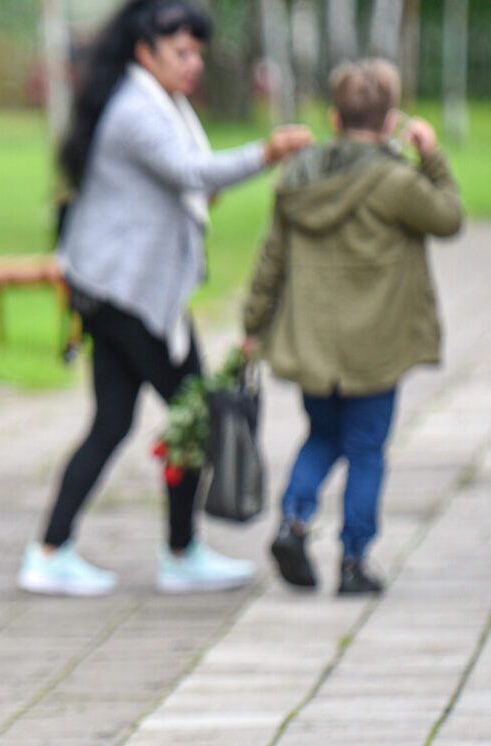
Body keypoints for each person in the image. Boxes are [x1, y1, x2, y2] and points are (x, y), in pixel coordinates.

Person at [19, 0, 314, 597]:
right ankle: (178, 554)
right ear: (145, 51)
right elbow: (191, 172)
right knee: (194, 414)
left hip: (110, 287)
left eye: (198, 51)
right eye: (181, 51)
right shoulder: (136, 110)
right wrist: (269, 152)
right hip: (125, 292)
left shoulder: (154, 102)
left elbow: (174, 184)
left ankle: (52, 550)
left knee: (112, 422)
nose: (193, 63)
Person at [244, 60, 463, 595]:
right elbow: (449, 217)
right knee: (365, 450)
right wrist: (431, 156)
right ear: (391, 121)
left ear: (333, 118)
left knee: (320, 435)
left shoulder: (298, 177)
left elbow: (272, 257)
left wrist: (254, 323)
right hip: (376, 345)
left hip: (313, 342)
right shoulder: (397, 181)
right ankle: (354, 561)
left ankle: (294, 523)